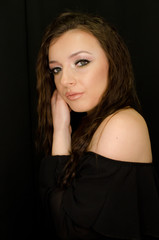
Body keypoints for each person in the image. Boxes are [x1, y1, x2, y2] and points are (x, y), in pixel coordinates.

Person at [36, 11, 159, 240]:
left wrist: (61, 131)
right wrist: (62, 128)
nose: (64, 81)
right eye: (56, 69)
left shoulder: (121, 124)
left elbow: (68, 230)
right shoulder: (94, 123)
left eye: (81, 62)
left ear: (113, 61)